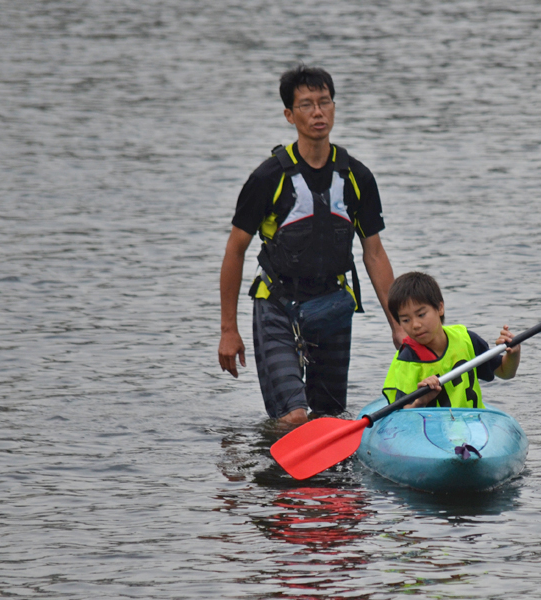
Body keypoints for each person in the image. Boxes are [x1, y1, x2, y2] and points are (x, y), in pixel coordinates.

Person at [218, 65, 404, 424]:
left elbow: (374, 253)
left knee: (329, 419)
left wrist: (399, 324)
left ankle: (324, 481)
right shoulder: (267, 178)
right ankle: (280, 472)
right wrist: (229, 330)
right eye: (306, 105)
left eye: (324, 102)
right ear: (289, 115)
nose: (318, 112)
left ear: (334, 107)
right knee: (294, 417)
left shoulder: (356, 177)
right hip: (276, 306)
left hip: (331, 307)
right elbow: (235, 250)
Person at [382, 272, 520, 409]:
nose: (415, 325)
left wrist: (513, 353)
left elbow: (505, 372)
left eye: (421, 314)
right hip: (432, 428)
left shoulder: (466, 339)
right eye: (406, 320)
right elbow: (400, 414)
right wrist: (420, 402)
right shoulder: (406, 360)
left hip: (472, 424)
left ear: (440, 308)